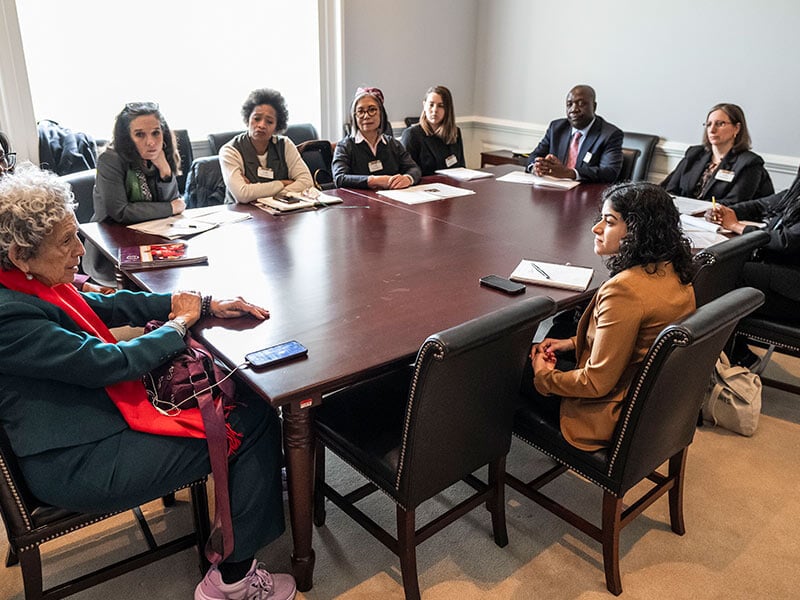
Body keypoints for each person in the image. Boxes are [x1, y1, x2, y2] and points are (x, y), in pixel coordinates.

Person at [0, 165, 296, 600]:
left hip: (89, 423)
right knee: (249, 421)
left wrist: (201, 302)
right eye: (66, 241)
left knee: (234, 402)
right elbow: (105, 363)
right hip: (78, 461)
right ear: (22, 254)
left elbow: (109, 305)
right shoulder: (9, 316)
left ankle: (251, 488)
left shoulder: (25, 282)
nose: (79, 249)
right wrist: (177, 326)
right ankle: (232, 580)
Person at [525, 182, 696, 451]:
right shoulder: (673, 270)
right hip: (648, 408)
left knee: (501, 374)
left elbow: (595, 383)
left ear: (637, 232)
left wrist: (544, 378)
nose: (596, 228)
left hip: (607, 414)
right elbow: (634, 340)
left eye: (609, 221)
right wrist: (570, 342)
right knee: (558, 330)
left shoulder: (624, 290)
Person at [85, 102, 186, 286]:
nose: (151, 141)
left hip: (154, 242)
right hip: (113, 251)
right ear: (126, 138)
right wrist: (169, 208)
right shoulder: (110, 159)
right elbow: (120, 212)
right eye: (140, 135)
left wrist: (164, 170)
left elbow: (174, 202)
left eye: (156, 132)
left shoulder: (159, 154)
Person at [706, 168, 800, 328]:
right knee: (724, 268)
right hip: (779, 270)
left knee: (727, 275)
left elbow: (786, 240)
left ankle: (733, 349)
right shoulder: (794, 195)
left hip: (794, 287)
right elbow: (758, 206)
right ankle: (733, 348)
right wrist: (725, 211)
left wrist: (735, 225)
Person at [661, 103, 773, 205]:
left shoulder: (749, 163)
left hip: (721, 222)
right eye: (709, 124)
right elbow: (669, 189)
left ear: (737, 128)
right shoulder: (694, 154)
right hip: (685, 217)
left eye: (720, 124)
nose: (712, 130)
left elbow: (735, 203)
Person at [219, 88, 313, 204]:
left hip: (280, 213)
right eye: (257, 119)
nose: (262, 125)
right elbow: (243, 194)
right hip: (241, 216)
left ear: (277, 126)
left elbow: (307, 182)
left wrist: (259, 192)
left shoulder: (285, 145)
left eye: (269, 122)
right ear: (247, 119)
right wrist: (282, 183)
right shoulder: (230, 151)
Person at [526, 85, 623, 184]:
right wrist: (536, 167)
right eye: (569, 104)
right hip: (553, 190)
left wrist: (569, 173)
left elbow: (609, 172)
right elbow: (535, 155)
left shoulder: (609, 134)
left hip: (587, 194)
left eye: (581, 104)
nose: (574, 109)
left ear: (594, 106)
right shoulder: (556, 128)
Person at [332, 87, 422, 189]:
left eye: (372, 110)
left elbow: (414, 168)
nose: (366, 116)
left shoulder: (393, 144)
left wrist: (408, 178)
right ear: (354, 117)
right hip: (361, 201)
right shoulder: (344, 146)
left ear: (381, 114)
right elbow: (339, 178)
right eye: (360, 112)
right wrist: (373, 180)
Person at [400, 85, 465, 176]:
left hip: (452, 185)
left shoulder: (455, 132)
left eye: (440, 106)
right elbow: (407, 172)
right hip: (423, 187)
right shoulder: (412, 134)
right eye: (431, 105)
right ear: (424, 105)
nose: (435, 110)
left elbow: (462, 168)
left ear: (447, 109)